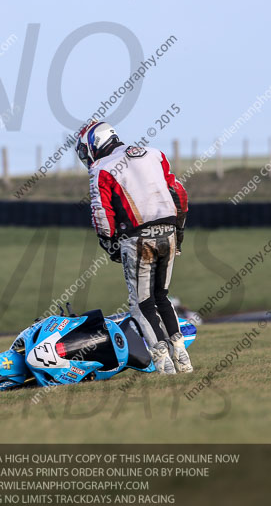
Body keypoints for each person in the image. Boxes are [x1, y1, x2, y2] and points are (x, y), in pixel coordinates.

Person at [76, 120, 192, 374]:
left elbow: (101, 213)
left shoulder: (101, 168)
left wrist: (109, 244)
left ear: (94, 143)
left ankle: (163, 363)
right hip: (169, 231)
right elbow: (179, 193)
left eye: (85, 150)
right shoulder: (155, 154)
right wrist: (179, 232)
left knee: (141, 304)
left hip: (138, 238)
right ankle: (182, 355)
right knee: (162, 296)